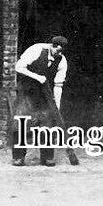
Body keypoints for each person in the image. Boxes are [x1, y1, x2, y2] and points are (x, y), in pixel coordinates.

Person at [10, 35, 69, 167]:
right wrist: (37, 77)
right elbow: (19, 67)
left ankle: (47, 157)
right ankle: (18, 157)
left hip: (44, 94)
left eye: (61, 51)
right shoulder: (36, 50)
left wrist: (56, 106)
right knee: (21, 123)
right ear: (52, 45)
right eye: (57, 50)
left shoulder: (62, 61)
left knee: (47, 124)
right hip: (27, 91)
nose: (58, 54)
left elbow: (58, 84)